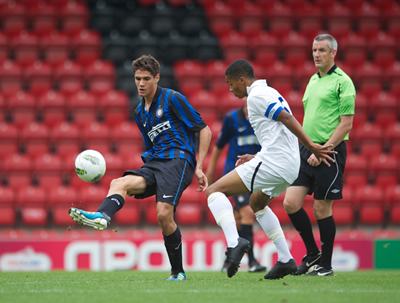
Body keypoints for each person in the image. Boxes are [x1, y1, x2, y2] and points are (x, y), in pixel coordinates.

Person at [69, 55, 212, 281]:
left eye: (146, 78)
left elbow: (204, 130)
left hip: (179, 160)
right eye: (137, 79)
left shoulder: (172, 98)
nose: (141, 83)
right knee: (119, 183)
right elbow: (152, 144)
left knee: (164, 214)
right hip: (156, 163)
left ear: (156, 78)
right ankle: (102, 216)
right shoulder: (139, 112)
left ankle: (178, 272)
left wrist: (200, 167)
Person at [206, 58, 336, 279]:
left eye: (230, 83)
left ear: (241, 79)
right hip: (285, 163)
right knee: (257, 202)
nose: (230, 89)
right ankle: (286, 259)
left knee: (214, 191)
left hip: (276, 162)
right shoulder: (270, 92)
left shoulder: (256, 95)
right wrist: (256, 156)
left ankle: (234, 243)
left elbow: (286, 118)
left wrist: (311, 146)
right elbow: (278, 133)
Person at [283, 34, 355, 277]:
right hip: (307, 149)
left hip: (329, 151)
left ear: (333, 52)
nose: (316, 54)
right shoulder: (313, 80)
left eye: (322, 50)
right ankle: (313, 253)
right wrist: (308, 148)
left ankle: (326, 266)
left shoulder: (343, 82)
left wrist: (322, 149)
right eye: (314, 50)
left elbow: (346, 124)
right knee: (290, 203)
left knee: (321, 210)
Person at [205, 97, 266, 273]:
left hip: (258, 173)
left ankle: (228, 258)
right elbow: (219, 145)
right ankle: (253, 261)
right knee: (247, 212)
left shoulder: (262, 117)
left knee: (240, 218)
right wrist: (210, 172)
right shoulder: (232, 118)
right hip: (237, 173)